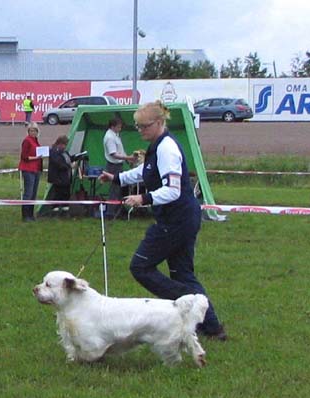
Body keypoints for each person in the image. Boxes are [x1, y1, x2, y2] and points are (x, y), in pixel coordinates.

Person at [98, 101, 227, 341]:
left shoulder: (167, 148)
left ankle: (184, 306)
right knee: (183, 274)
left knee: (140, 267)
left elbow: (173, 190)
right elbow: (145, 173)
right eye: (137, 126)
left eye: (144, 126)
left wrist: (143, 198)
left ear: (158, 123)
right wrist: (116, 178)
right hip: (181, 218)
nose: (140, 130)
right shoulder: (156, 146)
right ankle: (212, 327)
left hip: (177, 219)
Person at [103, 117, 138, 219]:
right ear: (113, 126)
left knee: (119, 189)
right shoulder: (109, 137)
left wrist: (128, 160)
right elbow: (113, 154)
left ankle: (118, 211)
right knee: (115, 189)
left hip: (119, 165)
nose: (120, 128)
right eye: (119, 126)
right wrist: (128, 157)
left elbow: (120, 150)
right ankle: (111, 213)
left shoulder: (116, 136)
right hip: (113, 166)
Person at [38, 135, 72, 218]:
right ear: (59, 143)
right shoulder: (53, 152)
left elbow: (69, 159)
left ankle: (65, 212)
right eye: (64, 144)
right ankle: (55, 212)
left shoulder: (65, 152)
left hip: (66, 178)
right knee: (58, 195)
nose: (65, 146)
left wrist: (76, 157)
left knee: (66, 195)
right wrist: (69, 166)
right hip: (58, 178)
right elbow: (59, 164)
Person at [18, 123, 43, 221]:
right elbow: (24, 156)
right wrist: (36, 157)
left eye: (34, 130)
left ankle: (31, 214)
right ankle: (25, 215)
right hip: (28, 169)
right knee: (28, 193)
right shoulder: (27, 141)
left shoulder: (35, 141)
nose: (33, 132)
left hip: (36, 169)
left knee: (34, 193)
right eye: (31, 130)